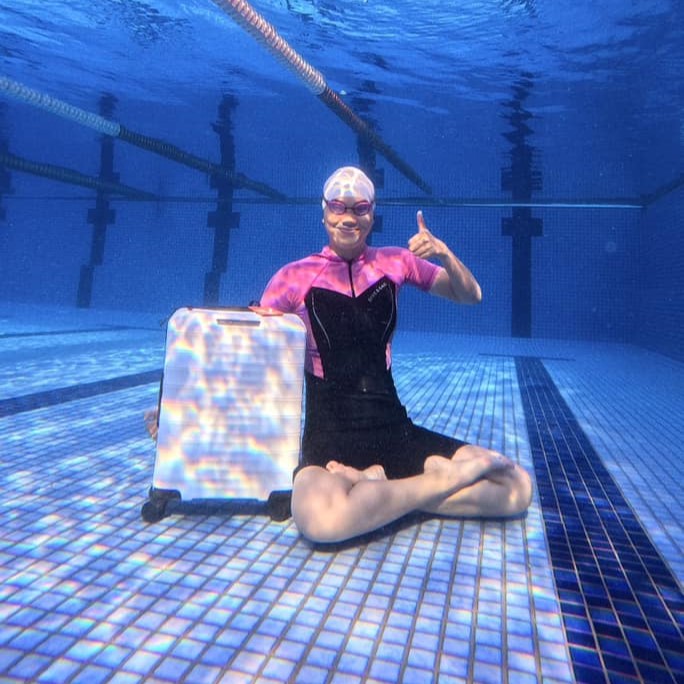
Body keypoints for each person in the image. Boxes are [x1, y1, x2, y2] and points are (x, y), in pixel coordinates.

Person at [146, 166, 532, 544]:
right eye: (338, 207)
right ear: (324, 211)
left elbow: (470, 295)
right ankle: (437, 483)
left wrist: (444, 254)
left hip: (393, 428)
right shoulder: (292, 277)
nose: (348, 217)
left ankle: (375, 490)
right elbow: (245, 361)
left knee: (516, 488)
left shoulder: (396, 262)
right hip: (329, 436)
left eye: (360, 208)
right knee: (319, 522)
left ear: (372, 214)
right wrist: (181, 416)